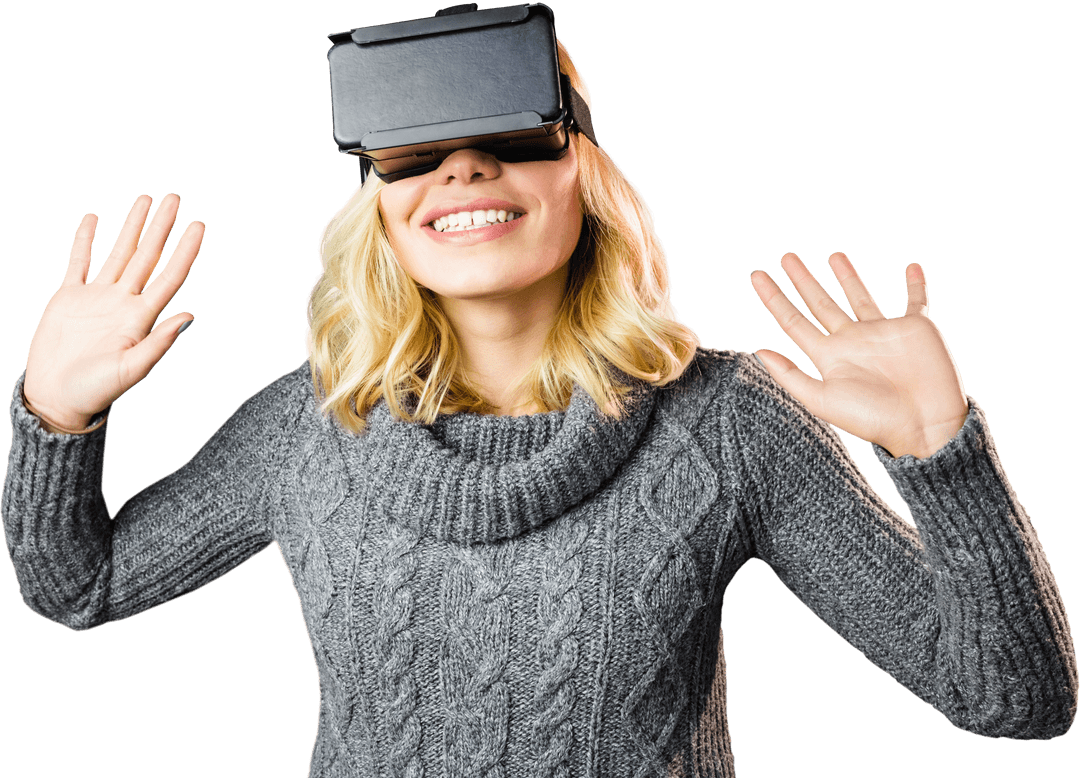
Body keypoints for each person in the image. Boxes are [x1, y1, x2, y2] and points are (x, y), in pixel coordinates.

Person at [4, 33, 1076, 778]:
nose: (464, 166)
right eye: (415, 151)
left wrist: (944, 451)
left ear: (587, 172)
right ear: (376, 204)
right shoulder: (308, 428)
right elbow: (80, 586)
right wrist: (54, 412)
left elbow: (1015, 702)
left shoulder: (725, 422)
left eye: (515, 133)